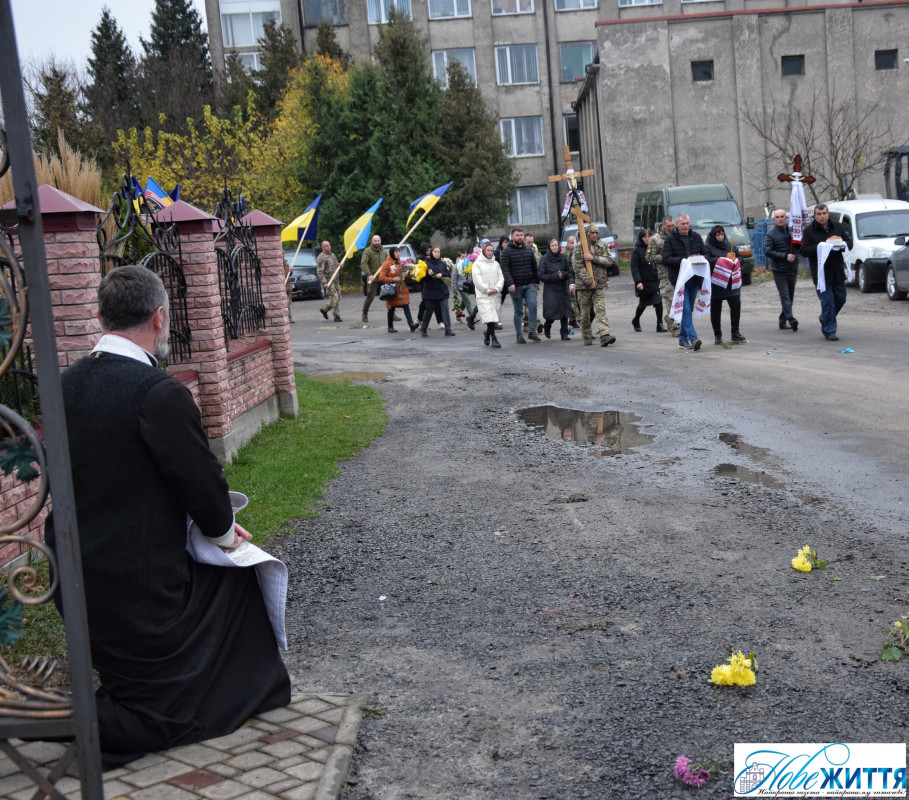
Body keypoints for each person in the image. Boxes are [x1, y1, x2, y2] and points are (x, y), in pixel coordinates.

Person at [45, 265, 290, 769]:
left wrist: (211, 523)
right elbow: (200, 482)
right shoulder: (156, 392)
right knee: (238, 577)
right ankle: (76, 718)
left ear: (100, 314)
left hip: (69, 571)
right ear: (160, 318)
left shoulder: (63, 387)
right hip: (138, 585)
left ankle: (174, 690)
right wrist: (222, 533)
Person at [800, 203, 853, 341]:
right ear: (815, 216)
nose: (822, 216)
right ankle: (829, 330)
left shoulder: (838, 226)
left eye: (824, 213)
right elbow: (804, 250)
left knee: (841, 298)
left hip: (837, 270)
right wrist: (820, 247)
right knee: (827, 302)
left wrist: (841, 245)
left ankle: (825, 317)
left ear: (828, 214)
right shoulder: (809, 231)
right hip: (821, 274)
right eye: (819, 214)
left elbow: (849, 242)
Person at [662, 212, 706, 350]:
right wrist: (684, 260)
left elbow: (705, 253)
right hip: (679, 280)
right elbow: (666, 259)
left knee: (688, 309)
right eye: (683, 224)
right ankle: (693, 338)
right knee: (686, 309)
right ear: (677, 224)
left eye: (687, 223)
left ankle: (682, 339)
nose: (686, 226)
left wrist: (699, 258)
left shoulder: (696, 237)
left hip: (694, 279)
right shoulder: (670, 239)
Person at [572, 223, 616, 347]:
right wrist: (588, 281)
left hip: (599, 284)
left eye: (596, 233)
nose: (595, 235)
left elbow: (609, 261)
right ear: (587, 234)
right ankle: (586, 335)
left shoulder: (602, 245)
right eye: (592, 233)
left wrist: (594, 258)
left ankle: (604, 335)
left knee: (600, 309)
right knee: (585, 313)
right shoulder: (579, 247)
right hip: (583, 286)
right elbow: (577, 267)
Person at [704, 225, 746, 345]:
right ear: (713, 236)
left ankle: (735, 332)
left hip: (731, 283)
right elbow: (707, 260)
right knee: (716, 310)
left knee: (736, 305)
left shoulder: (729, 246)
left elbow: (741, 258)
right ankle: (718, 335)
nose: (720, 237)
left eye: (722, 234)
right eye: (717, 235)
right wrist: (722, 261)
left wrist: (736, 261)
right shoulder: (708, 246)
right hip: (717, 283)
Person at [500, 227, 541, 344]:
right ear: (512, 236)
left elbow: (534, 266)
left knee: (533, 305)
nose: (520, 237)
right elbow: (505, 269)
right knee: (518, 310)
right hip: (516, 286)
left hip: (529, 284)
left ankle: (532, 332)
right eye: (517, 235)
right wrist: (510, 283)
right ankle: (519, 334)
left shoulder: (528, 249)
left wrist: (536, 281)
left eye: (521, 235)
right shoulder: (507, 251)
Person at [764, 209, 799, 331]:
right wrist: (785, 256)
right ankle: (791, 319)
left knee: (790, 296)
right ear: (774, 219)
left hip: (792, 269)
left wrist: (796, 241)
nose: (780, 219)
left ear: (786, 218)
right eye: (777, 217)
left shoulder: (792, 231)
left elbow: (799, 247)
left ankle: (782, 320)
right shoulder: (771, 234)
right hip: (779, 270)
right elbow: (767, 251)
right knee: (785, 296)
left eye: (782, 216)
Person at [538, 237, 576, 341]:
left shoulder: (563, 257)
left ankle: (564, 333)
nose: (554, 247)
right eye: (552, 245)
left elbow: (569, 272)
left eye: (556, 245)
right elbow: (541, 275)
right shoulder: (544, 259)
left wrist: (562, 274)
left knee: (565, 311)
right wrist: (555, 276)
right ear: (549, 247)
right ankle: (547, 325)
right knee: (552, 312)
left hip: (563, 287)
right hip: (551, 289)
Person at [646, 215, 676, 335]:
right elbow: (648, 257)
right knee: (670, 300)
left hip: (678, 273)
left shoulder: (676, 236)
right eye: (669, 226)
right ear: (663, 225)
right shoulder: (655, 239)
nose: (671, 228)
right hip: (665, 275)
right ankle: (675, 328)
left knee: (679, 301)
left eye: (673, 226)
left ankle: (670, 319)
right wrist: (665, 258)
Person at [472, 240, 505, 348]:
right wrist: (487, 290)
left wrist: (496, 288)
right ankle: (494, 338)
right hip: (484, 295)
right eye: (488, 250)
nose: (490, 252)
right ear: (484, 251)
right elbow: (477, 280)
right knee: (489, 317)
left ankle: (487, 333)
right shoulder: (477, 264)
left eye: (492, 250)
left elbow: (501, 277)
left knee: (494, 317)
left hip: (495, 294)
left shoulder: (496, 264)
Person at [630, 229, 663, 332]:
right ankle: (636, 320)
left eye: (649, 236)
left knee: (658, 302)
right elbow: (634, 267)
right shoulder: (637, 250)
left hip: (654, 280)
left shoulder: (653, 248)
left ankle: (660, 324)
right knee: (643, 303)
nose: (647, 239)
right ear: (641, 238)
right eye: (645, 237)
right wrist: (638, 282)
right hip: (643, 281)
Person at [420, 245, 455, 337]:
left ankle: (448, 329)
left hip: (442, 291)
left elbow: (448, 274)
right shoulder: (425, 263)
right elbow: (421, 278)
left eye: (438, 252)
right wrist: (428, 274)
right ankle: (423, 328)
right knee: (428, 311)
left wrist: (442, 274)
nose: (437, 253)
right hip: (430, 292)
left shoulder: (442, 263)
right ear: (432, 252)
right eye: (435, 251)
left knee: (445, 310)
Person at [379, 246, 417, 333]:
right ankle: (390, 326)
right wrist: (392, 279)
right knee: (391, 308)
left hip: (402, 289)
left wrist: (406, 275)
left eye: (398, 252)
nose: (398, 253)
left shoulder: (401, 262)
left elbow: (405, 275)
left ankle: (411, 325)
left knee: (406, 306)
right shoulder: (386, 263)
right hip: (392, 290)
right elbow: (381, 277)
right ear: (392, 253)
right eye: (396, 252)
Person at [360, 234, 384, 327]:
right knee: (370, 297)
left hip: (383, 277)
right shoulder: (368, 251)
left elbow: (387, 260)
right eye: (375, 241)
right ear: (372, 241)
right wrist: (369, 275)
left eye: (378, 240)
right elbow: (363, 264)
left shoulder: (382, 251)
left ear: (380, 241)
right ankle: (364, 313)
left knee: (389, 295)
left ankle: (392, 314)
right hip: (373, 278)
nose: (377, 242)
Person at [317, 239, 342, 322]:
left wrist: (340, 265)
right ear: (323, 247)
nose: (329, 247)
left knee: (338, 298)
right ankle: (336, 316)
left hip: (336, 280)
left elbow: (336, 265)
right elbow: (320, 271)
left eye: (329, 245)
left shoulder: (332, 255)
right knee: (334, 298)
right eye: (326, 246)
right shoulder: (321, 257)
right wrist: (324, 282)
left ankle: (324, 309)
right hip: (329, 281)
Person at [563, 234, 581, 329]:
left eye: (575, 242)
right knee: (574, 300)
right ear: (567, 243)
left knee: (577, 300)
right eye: (571, 242)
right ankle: (579, 319)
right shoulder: (564, 253)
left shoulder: (577, 251)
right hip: (568, 280)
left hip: (577, 279)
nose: (573, 244)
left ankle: (573, 319)